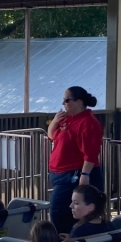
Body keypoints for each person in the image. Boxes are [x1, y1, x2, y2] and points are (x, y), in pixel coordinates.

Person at [47, 86, 104, 233]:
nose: (63, 104)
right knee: (63, 212)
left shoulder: (88, 123)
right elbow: (52, 136)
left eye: (67, 100)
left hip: (74, 175)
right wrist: (54, 122)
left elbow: (90, 152)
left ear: (78, 102)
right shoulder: (68, 119)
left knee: (60, 213)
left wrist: (85, 175)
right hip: (60, 175)